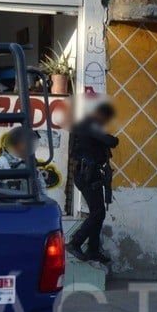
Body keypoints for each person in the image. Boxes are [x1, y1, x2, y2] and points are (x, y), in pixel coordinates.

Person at [67, 101, 119, 264]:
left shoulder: (87, 125)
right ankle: (75, 243)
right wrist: (112, 138)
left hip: (90, 174)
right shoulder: (89, 125)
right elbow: (111, 141)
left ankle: (93, 249)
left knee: (99, 212)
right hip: (86, 175)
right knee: (97, 212)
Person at [0, 126, 42, 192]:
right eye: (25, 142)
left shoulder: (32, 163)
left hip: (30, 201)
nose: (29, 144)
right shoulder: (2, 163)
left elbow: (42, 188)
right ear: (16, 144)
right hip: (9, 202)